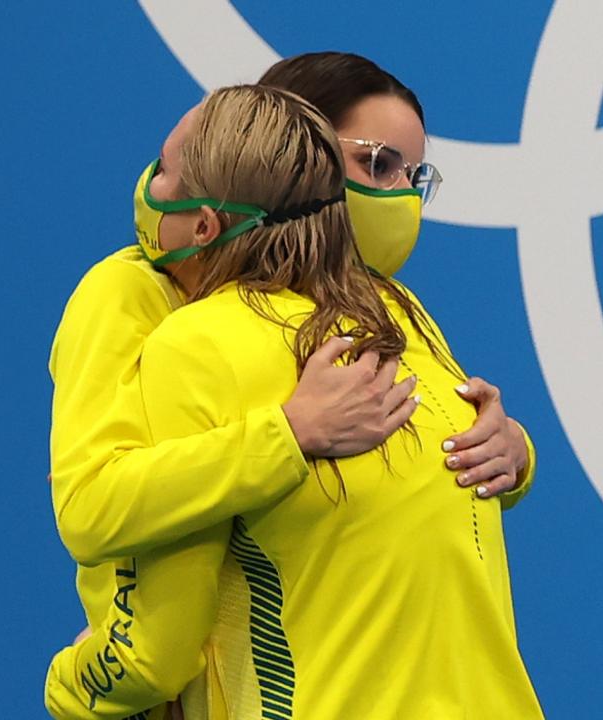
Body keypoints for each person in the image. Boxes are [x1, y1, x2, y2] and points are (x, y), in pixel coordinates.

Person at [44, 53, 537, 719]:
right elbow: (100, 504)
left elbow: (432, 496)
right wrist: (289, 434)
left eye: (415, 176)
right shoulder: (140, 303)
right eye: (380, 166)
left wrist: (513, 450)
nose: (402, 196)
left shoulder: (393, 310)